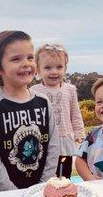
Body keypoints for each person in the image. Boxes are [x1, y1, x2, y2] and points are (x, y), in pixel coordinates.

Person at [0, 30, 60, 192]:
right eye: (16, 59)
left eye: (30, 57)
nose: (26, 63)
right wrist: (12, 193)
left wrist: (43, 185)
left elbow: (54, 146)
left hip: (42, 193)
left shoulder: (43, 101)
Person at [30, 44, 85, 178]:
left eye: (59, 67)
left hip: (64, 137)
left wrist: (79, 133)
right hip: (43, 140)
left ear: (65, 69)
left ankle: (64, 189)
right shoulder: (33, 91)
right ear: (38, 70)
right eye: (48, 68)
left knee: (63, 172)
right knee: (44, 171)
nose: (54, 72)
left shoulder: (70, 89)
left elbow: (75, 113)